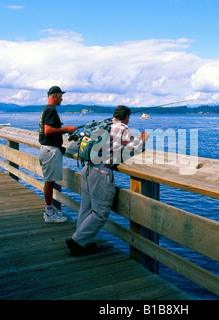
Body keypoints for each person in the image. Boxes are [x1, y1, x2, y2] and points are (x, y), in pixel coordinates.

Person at [66, 105, 150, 255]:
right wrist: (143, 140)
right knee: (100, 213)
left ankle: (82, 242)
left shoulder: (103, 124)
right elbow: (135, 147)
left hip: (87, 169)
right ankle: (77, 241)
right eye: (128, 118)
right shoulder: (122, 128)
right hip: (101, 172)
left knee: (86, 208)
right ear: (126, 117)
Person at [39, 86, 78, 223]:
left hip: (49, 149)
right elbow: (47, 131)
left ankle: (49, 210)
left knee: (49, 181)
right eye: (61, 95)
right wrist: (67, 129)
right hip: (50, 151)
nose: (62, 98)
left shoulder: (46, 109)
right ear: (55, 95)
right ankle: (49, 213)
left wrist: (58, 146)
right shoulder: (51, 110)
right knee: (49, 182)